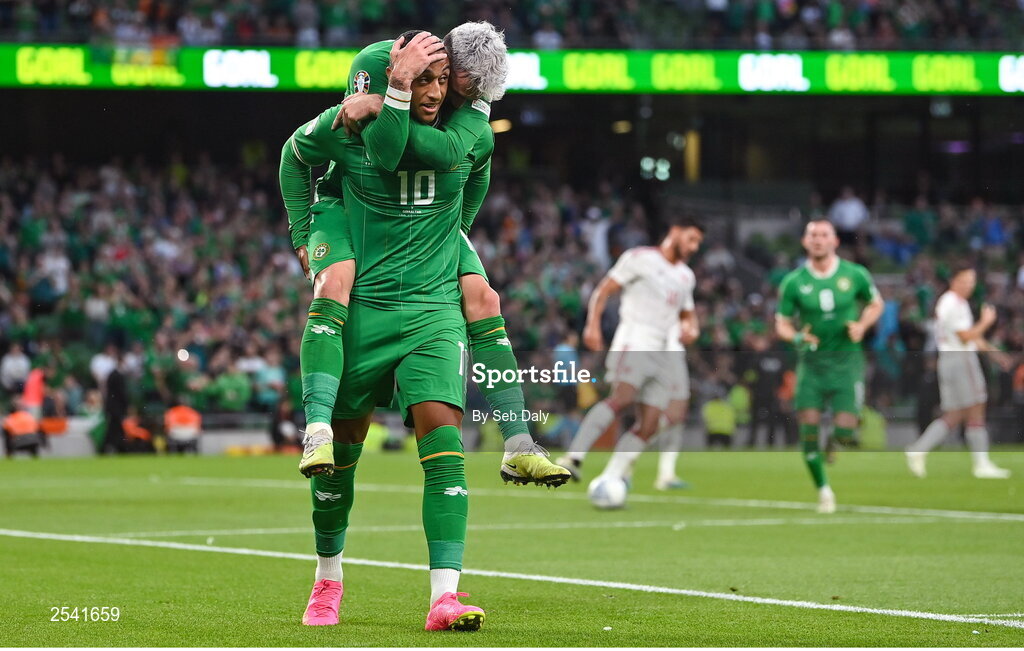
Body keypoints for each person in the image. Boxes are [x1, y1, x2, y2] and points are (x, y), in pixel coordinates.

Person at [278, 27, 511, 632]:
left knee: (446, 448)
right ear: (385, 80)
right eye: (419, 79)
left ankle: (445, 597)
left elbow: (478, 167)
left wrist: (452, 234)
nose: (435, 91)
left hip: (429, 312)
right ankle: (328, 576)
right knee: (340, 460)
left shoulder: (459, 128)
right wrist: (306, 237)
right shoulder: (351, 126)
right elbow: (294, 156)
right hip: (366, 304)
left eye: (441, 80)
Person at [285, 26, 569, 489]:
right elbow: (382, 152)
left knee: (483, 295)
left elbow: (463, 156)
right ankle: (317, 429)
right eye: (443, 79)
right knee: (335, 279)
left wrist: (455, 227)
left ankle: (518, 442)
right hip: (350, 201)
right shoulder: (374, 64)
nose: (447, 93)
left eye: (453, 85)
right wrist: (301, 233)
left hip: (430, 215)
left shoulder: (476, 95)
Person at [555, 218, 703, 490]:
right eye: (691, 239)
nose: (694, 247)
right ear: (675, 231)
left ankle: (612, 477)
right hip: (634, 340)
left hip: (662, 353)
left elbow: (687, 315)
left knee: (648, 425)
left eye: (698, 243)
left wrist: (690, 329)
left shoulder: (686, 276)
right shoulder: (639, 258)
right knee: (621, 399)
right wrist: (592, 325)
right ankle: (573, 458)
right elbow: (604, 290)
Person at [775, 220, 883, 514]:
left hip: (847, 364)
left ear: (835, 241)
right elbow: (781, 323)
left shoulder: (855, 274)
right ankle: (824, 490)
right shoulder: (794, 282)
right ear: (804, 242)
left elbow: (876, 304)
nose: (818, 240)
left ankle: (834, 444)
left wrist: (862, 326)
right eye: (813, 235)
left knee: (846, 431)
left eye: (824, 235)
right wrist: (796, 336)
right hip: (811, 366)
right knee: (808, 430)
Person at [905, 263, 1012, 479]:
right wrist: (985, 322)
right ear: (954, 280)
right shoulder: (953, 303)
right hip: (961, 360)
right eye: (964, 281)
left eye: (971, 281)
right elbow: (966, 336)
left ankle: (918, 450)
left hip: (949, 359)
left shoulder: (950, 302)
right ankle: (981, 464)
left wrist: (995, 353)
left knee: (954, 414)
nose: (969, 285)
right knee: (976, 407)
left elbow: (970, 336)